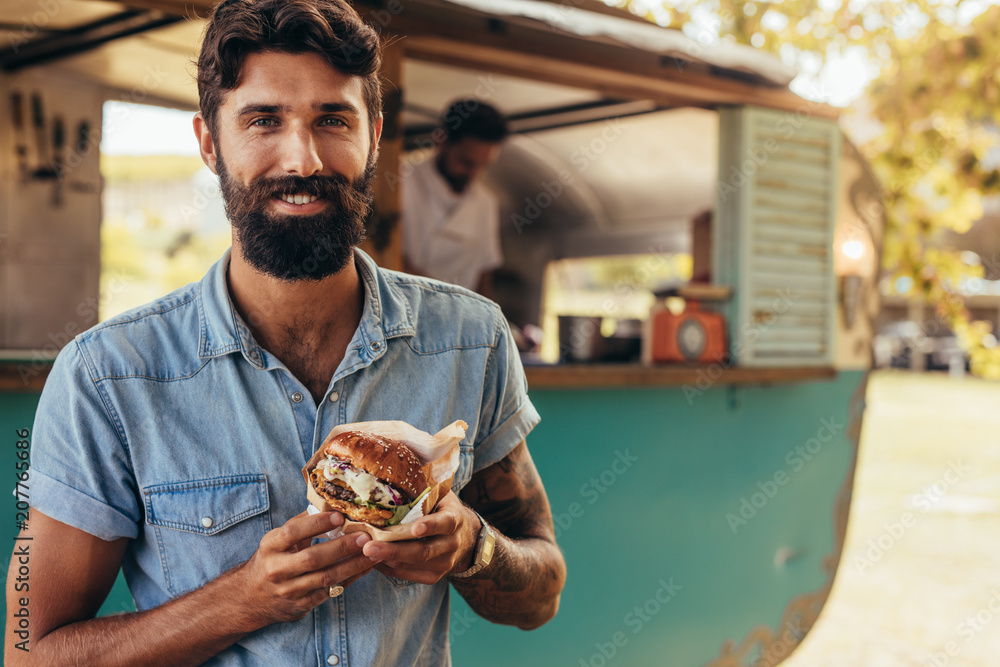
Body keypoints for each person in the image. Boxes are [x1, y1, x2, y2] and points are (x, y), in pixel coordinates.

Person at [3, 1, 565, 665]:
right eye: (263, 120)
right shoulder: (106, 376)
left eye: (333, 119)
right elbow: (29, 653)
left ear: (374, 136)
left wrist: (474, 546)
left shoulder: (471, 339)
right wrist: (244, 597)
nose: (302, 159)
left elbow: (540, 595)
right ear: (210, 143)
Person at [402, 100, 508, 297]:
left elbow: (484, 275)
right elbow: (387, 257)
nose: (474, 174)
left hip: (459, 316)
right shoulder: (402, 184)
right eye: (466, 163)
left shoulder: (485, 203)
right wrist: (439, 299)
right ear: (441, 141)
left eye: (483, 166)